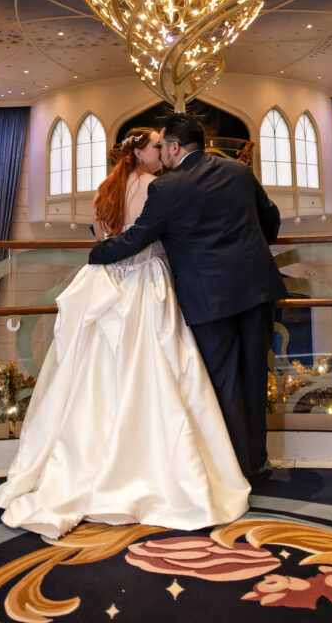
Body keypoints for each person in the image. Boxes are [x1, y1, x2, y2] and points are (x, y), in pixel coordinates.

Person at [0, 126, 249, 541]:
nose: (161, 151)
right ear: (141, 153)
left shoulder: (106, 189)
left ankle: (90, 459)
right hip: (145, 282)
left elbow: (103, 235)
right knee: (153, 365)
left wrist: (103, 254)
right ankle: (146, 467)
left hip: (109, 279)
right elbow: (148, 237)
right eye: (156, 146)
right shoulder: (153, 186)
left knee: (100, 370)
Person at [89, 112, 284, 482]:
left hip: (209, 297)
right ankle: (258, 462)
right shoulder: (239, 171)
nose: (161, 152)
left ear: (175, 147)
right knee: (255, 375)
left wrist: (96, 254)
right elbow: (270, 219)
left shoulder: (167, 187)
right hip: (256, 286)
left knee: (223, 381)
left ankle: (234, 470)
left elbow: (139, 237)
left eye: (163, 145)